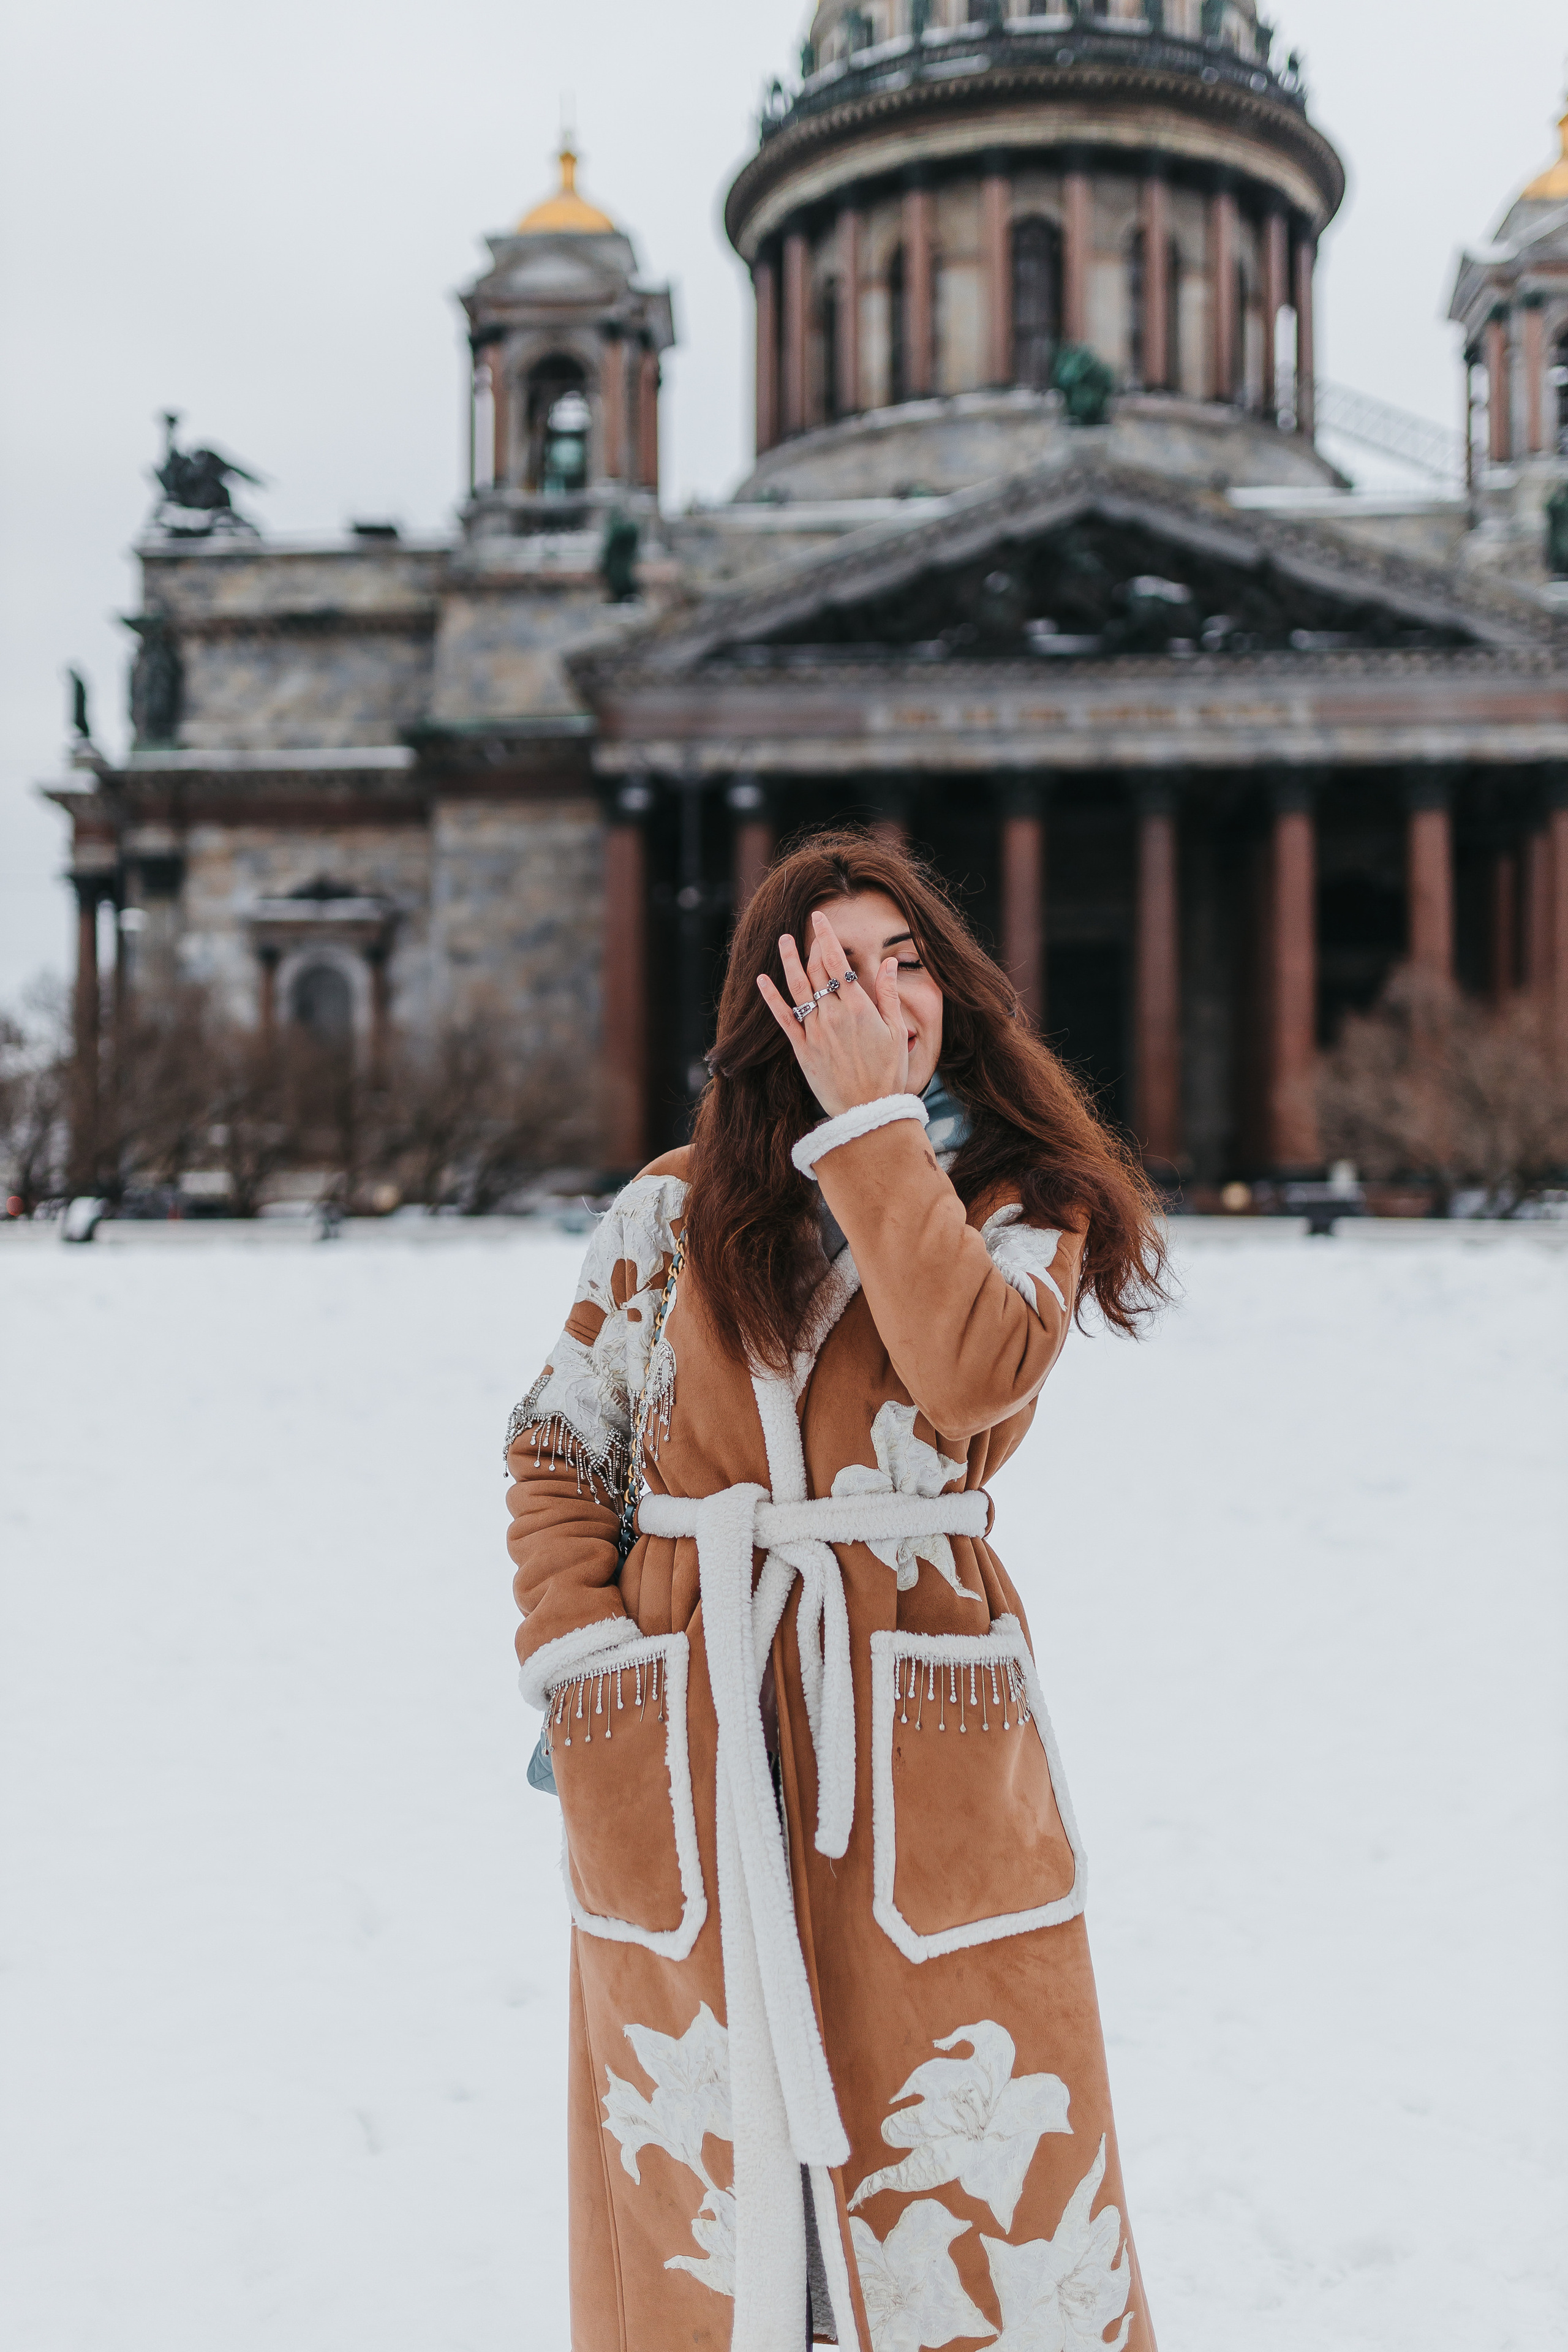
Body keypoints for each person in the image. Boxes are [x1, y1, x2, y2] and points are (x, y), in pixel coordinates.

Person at [506, 831, 1166, 2352]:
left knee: (963, 2136)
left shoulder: (1023, 1204)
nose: (882, 997)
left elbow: (969, 1376)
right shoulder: (666, 1215)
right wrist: (592, 1663)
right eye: (835, 972)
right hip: (688, 1705)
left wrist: (870, 1127)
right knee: (707, 2175)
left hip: (909, 1715)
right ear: (771, 1006)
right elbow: (556, 1448)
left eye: (908, 962)